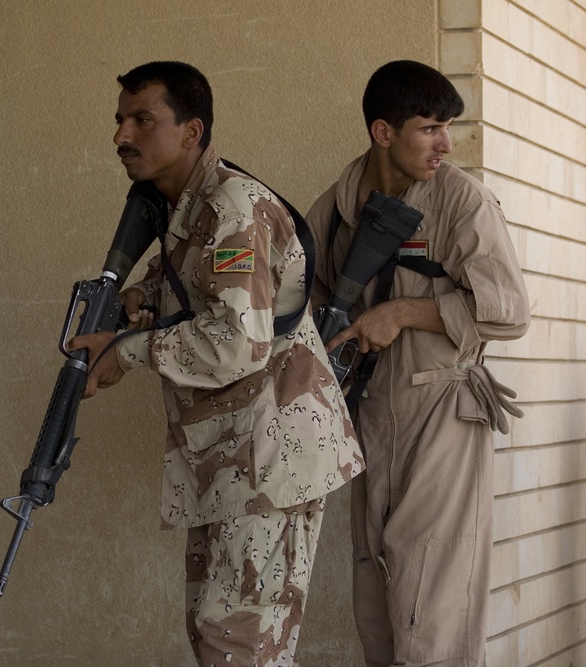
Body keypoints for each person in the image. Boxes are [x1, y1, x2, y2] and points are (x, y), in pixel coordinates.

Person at [70, 60, 364, 667]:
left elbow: (236, 342)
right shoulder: (185, 209)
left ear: (191, 130)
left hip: (269, 455)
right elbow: (188, 285)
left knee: (236, 643)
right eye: (120, 120)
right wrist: (137, 298)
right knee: (223, 637)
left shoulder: (233, 207)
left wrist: (126, 352)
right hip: (232, 459)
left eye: (142, 119)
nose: (122, 136)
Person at [305, 60, 530, 667]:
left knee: (431, 610)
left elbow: (508, 311)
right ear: (383, 132)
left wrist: (404, 312)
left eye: (447, 127)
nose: (445, 144)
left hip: (442, 415)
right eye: (429, 128)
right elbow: (305, 295)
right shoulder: (339, 205)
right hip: (369, 417)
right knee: (376, 606)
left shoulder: (462, 201)